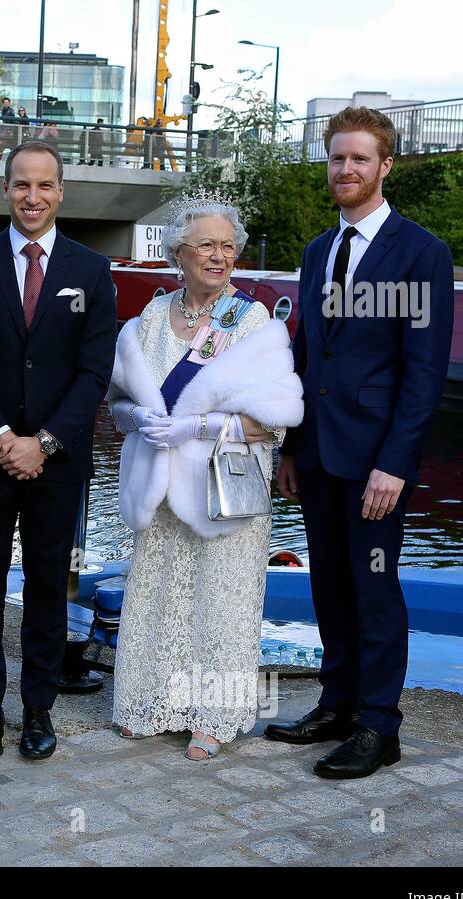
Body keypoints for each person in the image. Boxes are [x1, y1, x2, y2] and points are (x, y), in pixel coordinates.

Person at [267, 106, 454, 779]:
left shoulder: (421, 252)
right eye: (336, 158)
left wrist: (394, 464)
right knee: (331, 587)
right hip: (317, 453)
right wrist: (289, 447)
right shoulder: (319, 251)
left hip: (376, 459)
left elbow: (425, 370)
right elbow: (306, 353)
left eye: (359, 159)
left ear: (385, 165)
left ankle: (380, 725)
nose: (345, 170)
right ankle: (337, 705)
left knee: (374, 590)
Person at [105, 193, 303, 759]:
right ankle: (150, 703)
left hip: (224, 487)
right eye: (205, 246)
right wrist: (139, 417)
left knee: (222, 601)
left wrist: (195, 425)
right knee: (159, 592)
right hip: (160, 483)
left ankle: (213, 716)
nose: (219, 257)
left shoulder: (253, 321)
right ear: (178, 253)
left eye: (227, 247)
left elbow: (274, 425)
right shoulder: (148, 319)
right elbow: (120, 405)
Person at [0, 140, 117, 761]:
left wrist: (42, 442)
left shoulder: (92, 271)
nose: (32, 197)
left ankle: (38, 707)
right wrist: (1, 438)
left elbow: (95, 373)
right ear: (6, 190)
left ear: (61, 191)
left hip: (59, 461)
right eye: (21, 185)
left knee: (49, 586)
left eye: (44, 186)